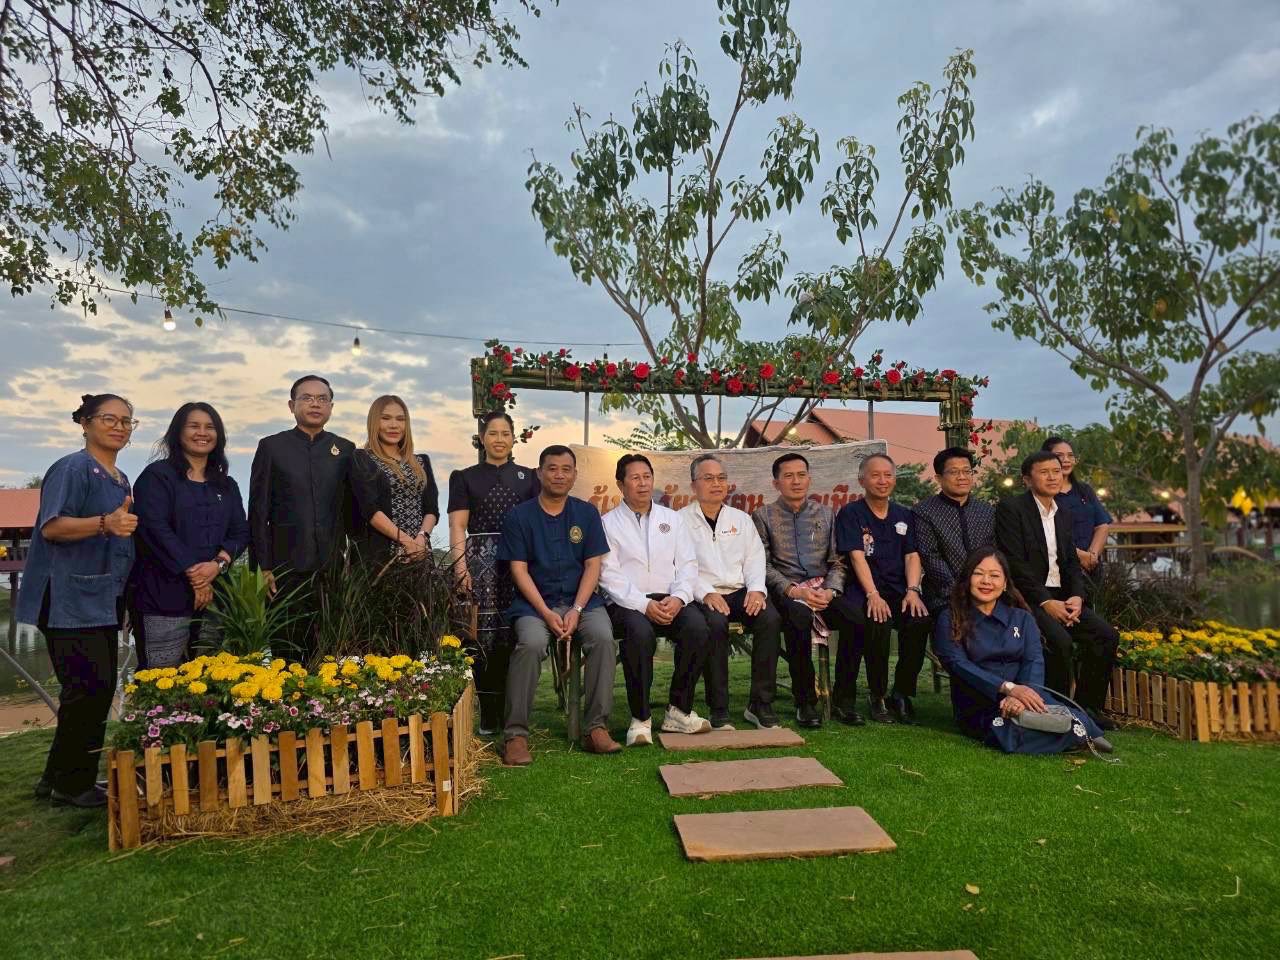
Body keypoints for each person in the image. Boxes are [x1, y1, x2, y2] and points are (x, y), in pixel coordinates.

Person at [18, 393, 138, 807]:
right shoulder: (72, 468)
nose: (119, 427)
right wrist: (105, 523)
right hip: (68, 597)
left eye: (126, 421)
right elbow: (52, 527)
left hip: (101, 597)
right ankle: (73, 784)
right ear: (85, 423)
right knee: (89, 688)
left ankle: (57, 777)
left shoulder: (119, 478)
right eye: (109, 418)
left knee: (92, 689)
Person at [498, 445, 620, 765]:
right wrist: (546, 612)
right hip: (535, 605)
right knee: (531, 644)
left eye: (566, 469)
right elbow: (518, 570)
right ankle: (515, 735)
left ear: (575, 475)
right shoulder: (519, 516)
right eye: (552, 468)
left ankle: (596, 728)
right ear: (539, 473)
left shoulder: (586, 513)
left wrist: (577, 610)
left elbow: (593, 565)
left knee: (603, 639)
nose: (559, 475)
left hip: (583, 602)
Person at [932, 548, 1111, 754]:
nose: (986, 581)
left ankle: (1072, 734)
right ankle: (1074, 739)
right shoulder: (950, 618)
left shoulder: (1022, 618)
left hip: (1025, 694)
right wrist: (1008, 688)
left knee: (1071, 716)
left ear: (1005, 583)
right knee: (1008, 729)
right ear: (967, 579)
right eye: (979, 574)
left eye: (994, 575)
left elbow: (1033, 660)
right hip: (980, 700)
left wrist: (1020, 695)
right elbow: (957, 664)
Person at [994, 451, 1120, 730]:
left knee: (1105, 636)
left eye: (1056, 471)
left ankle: (1087, 709)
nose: (1053, 477)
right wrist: (1045, 602)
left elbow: (1071, 562)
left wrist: (1076, 596)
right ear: (1027, 479)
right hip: (1027, 597)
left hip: (1063, 596)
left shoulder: (1062, 512)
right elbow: (1014, 564)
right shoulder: (1011, 509)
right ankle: (1055, 713)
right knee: (1059, 642)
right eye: (1044, 472)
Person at [601, 454, 712, 746]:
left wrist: (679, 598)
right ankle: (640, 718)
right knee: (639, 634)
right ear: (620, 484)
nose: (643, 483)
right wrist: (643, 604)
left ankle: (678, 711)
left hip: (669, 598)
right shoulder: (607, 523)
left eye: (647, 477)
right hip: (628, 603)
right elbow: (608, 574)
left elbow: (687, 564)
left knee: (698, 628)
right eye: (635, 478)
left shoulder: (672, 519)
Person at [130, 403, 249, 667]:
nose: (202, 433)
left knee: (208, 676)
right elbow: (155, 529)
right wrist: (197, 577)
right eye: (194, 426)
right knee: (160, 677)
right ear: (178, 432)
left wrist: (217, 565)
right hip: (162, 594)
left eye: (210, 427)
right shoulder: (158, 477)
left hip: (215, 596)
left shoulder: (226, 485)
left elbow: (240, 531)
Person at [247, 375, 355, 661]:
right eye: (307, 398)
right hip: (285, 571)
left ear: (331, 407)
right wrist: (263, 567)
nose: (315, 404)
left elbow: (353, 510)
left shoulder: (344, 449)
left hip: (332, 571)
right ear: (291, 405)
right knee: (287, 654)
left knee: (329, 656)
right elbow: (258, 511)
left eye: (322, 399)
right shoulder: (272, 447)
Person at [448, 411, 541, 735]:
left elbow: (537, 523)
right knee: (481, 637)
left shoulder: (530, 478)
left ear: (514, 438)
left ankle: (513, 712)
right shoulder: (464, 477)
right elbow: (458, 526)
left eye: (505, 433)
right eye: (493, 433)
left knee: (514, 634)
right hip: (479, 566)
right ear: (482, 438)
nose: (499, 439)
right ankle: (488, 712)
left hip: (520, 562)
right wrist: (460, 569)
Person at [752, 452, 859, 728]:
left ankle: (844, 699)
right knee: (798, 618)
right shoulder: (763, 516)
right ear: (776, 483)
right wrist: (793, 591)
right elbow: (762, 564)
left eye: (801, 475)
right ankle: (805, 701)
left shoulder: (826, 514)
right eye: (788, 476)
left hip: (822, 589)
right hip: (786, 592)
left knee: (855, 618)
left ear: (809, 479)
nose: (796, 481)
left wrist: (831, 590)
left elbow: (838, 561)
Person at [680, 454, 783, 730]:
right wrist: (705, 593)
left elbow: (755, 558)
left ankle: (760, 704)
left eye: (721, 478)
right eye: (708, 478)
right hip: (702, 594)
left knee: (770, 619)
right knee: (715, 624)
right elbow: (680, 566)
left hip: (739, 591)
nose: (716, 484)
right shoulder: (680, 521)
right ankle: (719, 708)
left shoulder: (741, 519)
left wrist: (757, 590)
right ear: (693, 485)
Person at [835, 453, 932, 724]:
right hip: (863, 590)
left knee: (919, 620)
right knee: (876, 621)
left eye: (888, 475)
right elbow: (856, 556)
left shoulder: (904, 514)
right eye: (875, 475)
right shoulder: (851, 513)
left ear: (894, 479)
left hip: (899, 589)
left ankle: (901, 693)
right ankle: (876, 694)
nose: (882, 481)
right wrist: (873, 594)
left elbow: (912, 556)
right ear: (862, 480)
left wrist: (913, 590)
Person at [350, 394, 439, 566]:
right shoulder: (362, 458)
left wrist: (421, 539)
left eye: (400, 419)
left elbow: (431, 509)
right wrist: (406, 541)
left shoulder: (421, 461)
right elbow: (370, 509)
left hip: (420, 554)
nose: (394, 425)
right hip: (380, 558)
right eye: (385, 418)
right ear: (374, 422)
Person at [913, 447, 995, 615]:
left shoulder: (987, 511)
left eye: (967, 471)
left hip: (988, 593)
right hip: (944, 597)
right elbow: (930, 557)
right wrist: (962, 593)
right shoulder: (924, 511)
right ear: (939, 478)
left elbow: (995, 552)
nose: (962, 477)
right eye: (954, 472)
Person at [1042, 437, 1112, 588]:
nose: (1066, 460)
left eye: (1070, 455)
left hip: (1091, 567)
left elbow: (1102, 525)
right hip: (1058, 570)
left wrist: (1092, 556)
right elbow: (1042, 533)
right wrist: (1079, 556)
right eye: (1059, 456)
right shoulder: (1043, 493)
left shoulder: (1084, 490)